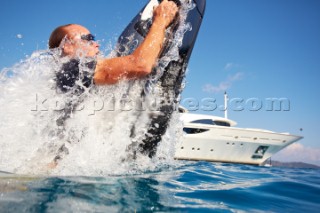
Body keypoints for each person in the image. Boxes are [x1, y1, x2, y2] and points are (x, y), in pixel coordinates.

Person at [46, 0, 178, 168]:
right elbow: (141, 65)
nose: (96, 43)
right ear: (67, 46)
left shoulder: (64, 78)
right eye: (88, 38)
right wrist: (161, 20)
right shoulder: (74, 68)